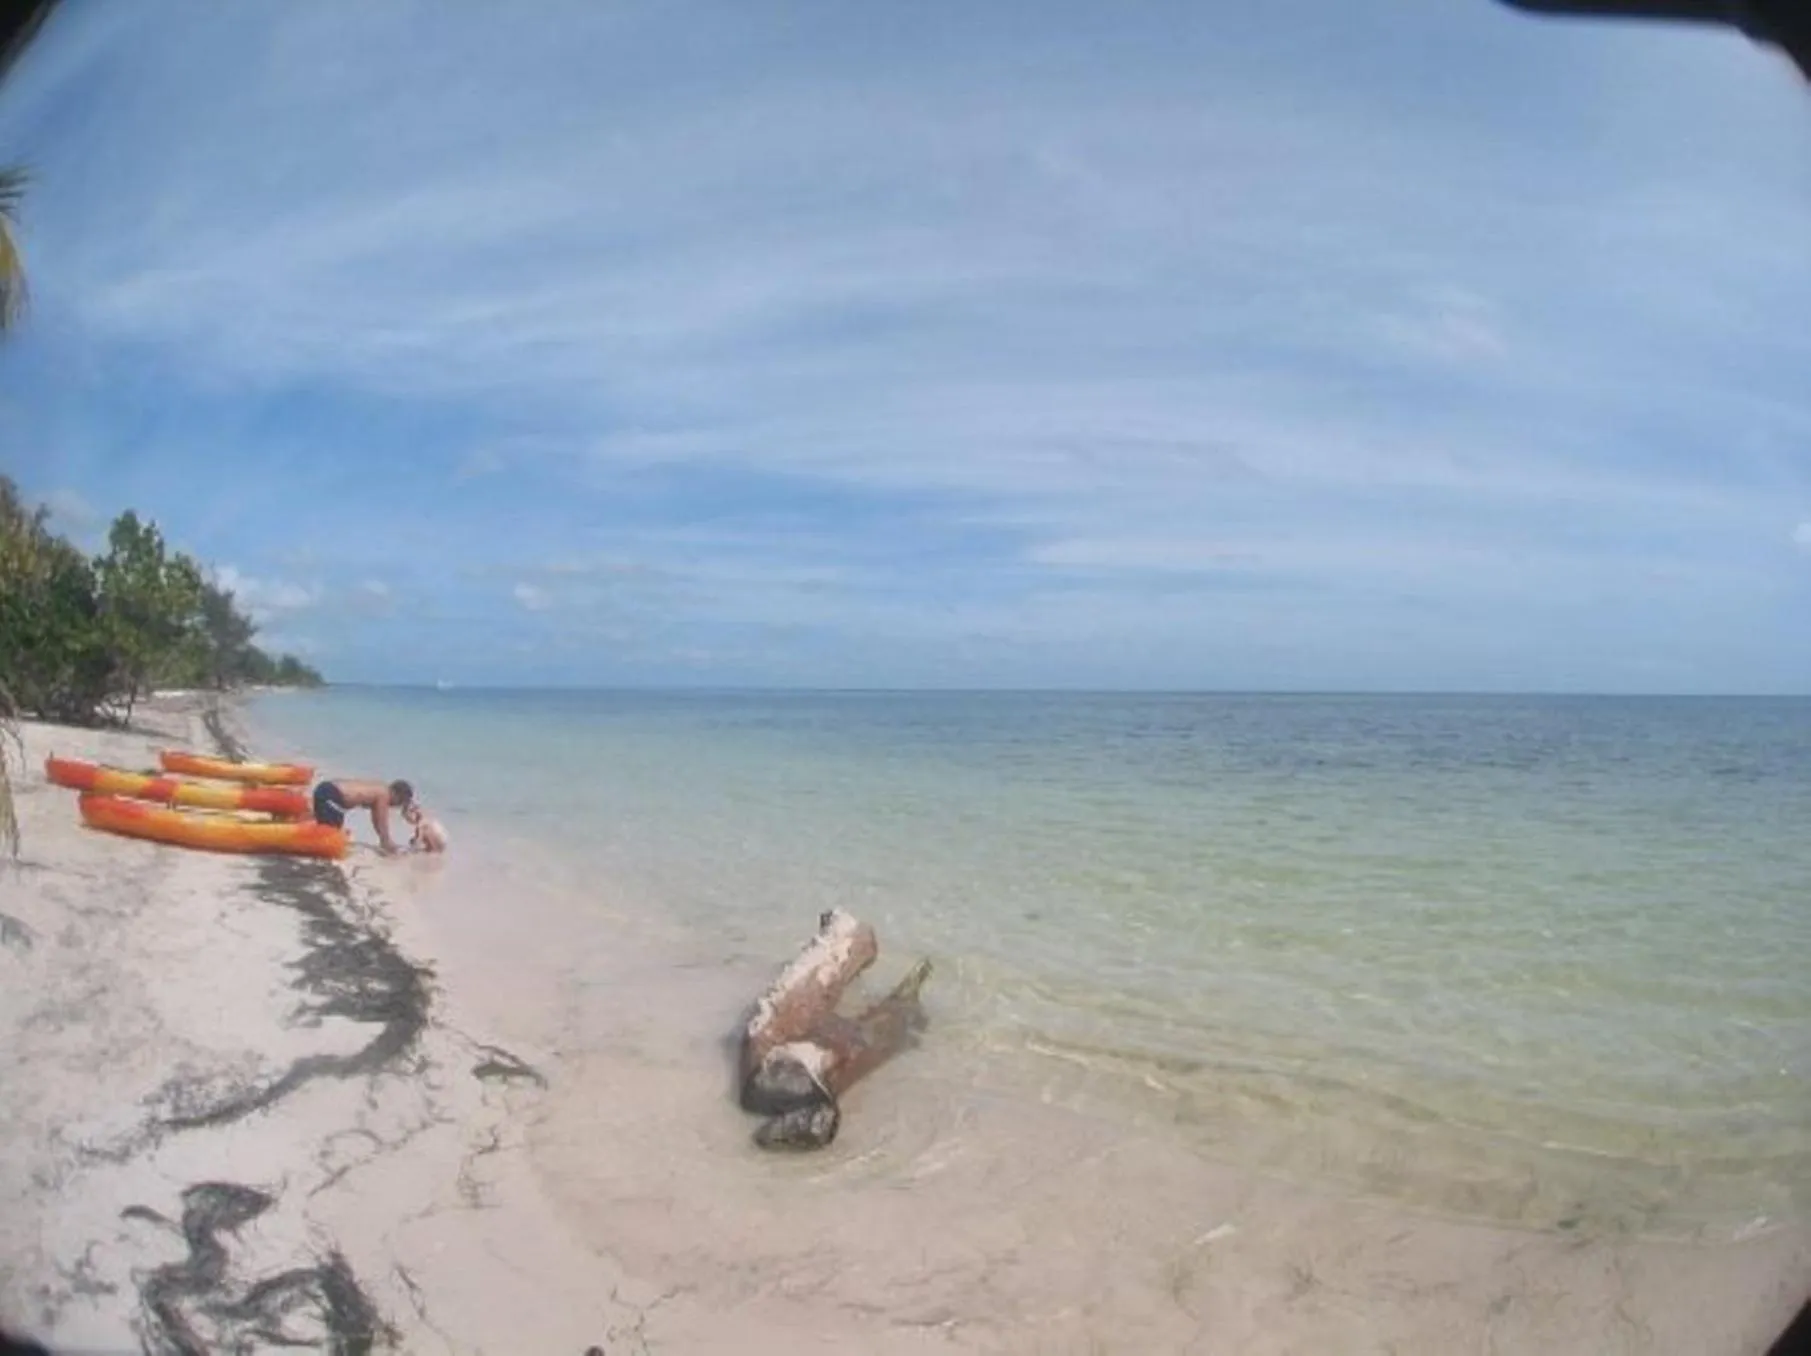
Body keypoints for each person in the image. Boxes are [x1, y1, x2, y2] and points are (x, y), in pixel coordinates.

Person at [311, 777, 414, 855]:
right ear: (397, 794)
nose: (396, 806)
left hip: (326, 789)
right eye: (399, 802)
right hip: (332, 795)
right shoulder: (384, 794)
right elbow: (381, 820)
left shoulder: (379, 789)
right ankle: (313, 847)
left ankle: (308, 837)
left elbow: (375, 819)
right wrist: (386, 842)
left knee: (328, 828)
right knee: (330, 835)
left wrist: (383, 839)